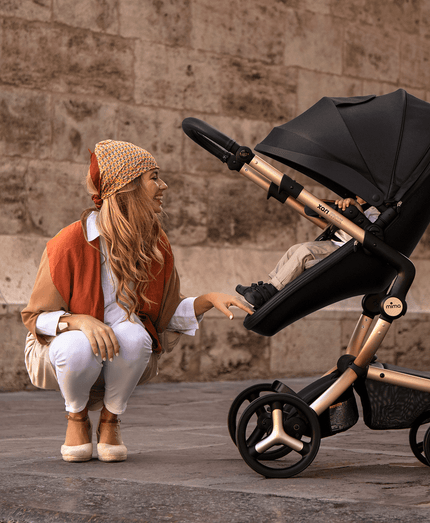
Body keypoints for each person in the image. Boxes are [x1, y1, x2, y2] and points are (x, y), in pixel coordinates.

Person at [22, 139, 252, 464]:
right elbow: (35, 317)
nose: (163, 185)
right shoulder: (68, 243)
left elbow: (164, 315)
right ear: (127, 186)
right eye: (154, 177)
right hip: (58, 354)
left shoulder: (155, 244)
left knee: (134, 334)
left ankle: (110, 420)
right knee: (77, 344)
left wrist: (208, 300)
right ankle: (76, 417)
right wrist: (80, 321)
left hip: (119, 360)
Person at [236, 197, 380, 308]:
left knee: (305, 252)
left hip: (348, 250)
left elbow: (368, 236)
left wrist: (357, 210)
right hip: (335, 244)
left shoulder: (374, 212)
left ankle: (268, 292)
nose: (357, 196)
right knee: (295, 249)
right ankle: (267, 288)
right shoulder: (358, 205)